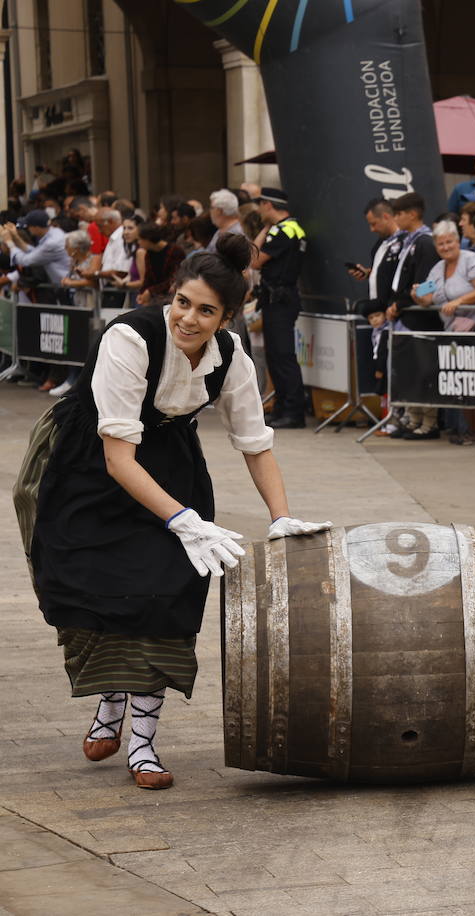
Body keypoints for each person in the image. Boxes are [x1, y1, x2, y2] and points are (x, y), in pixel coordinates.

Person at [19, 234, 330, 790]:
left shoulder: (231, 354)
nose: (189, 318)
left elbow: (255, 444)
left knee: (165, 596)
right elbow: (118, 459)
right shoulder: (129, 338)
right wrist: (182, 521)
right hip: (91, 463)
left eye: (206, 311)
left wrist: (280, 516)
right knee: (90, 589)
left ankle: (142, 743)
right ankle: (110, 702)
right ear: (172, 293)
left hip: (171, 466)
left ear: (226, 317)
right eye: (183, 302)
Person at [250, 188, 308, 429]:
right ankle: (282, 408)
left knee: (282, 356)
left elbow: (254, 261)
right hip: (278, 298)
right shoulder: (290, 228)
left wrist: (264, 230)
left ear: (268, 205)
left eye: (260, 205)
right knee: (275, 356)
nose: (259, 210)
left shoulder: (282, 230)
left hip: (280, 300)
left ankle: (293, 412)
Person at [132, 223, 188, 307]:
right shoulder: (149, 253)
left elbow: (174, 279)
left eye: (139, 239)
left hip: (171, 298)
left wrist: (150, 291)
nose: (138, 243)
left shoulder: (175, 252)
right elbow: (148, 277)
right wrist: (142, 293)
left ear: (147, 239)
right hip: (155, 298)